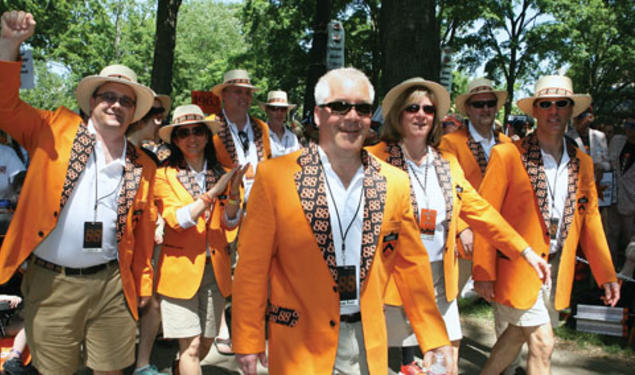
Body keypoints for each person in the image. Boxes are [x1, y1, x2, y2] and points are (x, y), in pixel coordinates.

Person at [232, 68, 460, 375]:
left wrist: (432, 337)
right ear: (317, 115)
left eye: (362, 108)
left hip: (368, 340)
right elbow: (252, 267)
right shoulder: (275, 178)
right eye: (339, 106)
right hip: (302, 343)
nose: (352, 117)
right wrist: (248, 338)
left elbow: (411, 266)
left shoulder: (394, 182)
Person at [0, 11, 157, 374]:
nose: (116, 104)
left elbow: (144, 232)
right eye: (108, 96)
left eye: (126, 100)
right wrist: (9, 44)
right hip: (52, 283)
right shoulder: (54, 127)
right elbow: (5, 108)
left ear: (134, 113)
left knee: (112, 370)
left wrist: (144, 282)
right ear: (92, 101)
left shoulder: (142, 165)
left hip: (113, 283)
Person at [366, 78, 549, 375]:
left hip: (441, 278)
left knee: (447, 363)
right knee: (374, 362)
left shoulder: (447, 162)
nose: (421, 114)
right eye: (413, 107)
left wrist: (525, 252)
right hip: (391, 279)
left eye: (428, 108)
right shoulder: (373, 160)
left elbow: (483, 213)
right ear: (398, 114)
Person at [474, 75, 620, 375]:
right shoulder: (507, 155)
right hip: (517, 268)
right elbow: (486, 217)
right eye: (546, 104)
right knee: (542, 343)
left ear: (571, 110)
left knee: (514, 335)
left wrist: (606, 273)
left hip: (557, 267)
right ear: (535, 110)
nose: (554, 111)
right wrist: (483, 271)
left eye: (561, 104)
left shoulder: (584, 163)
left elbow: (590, 220)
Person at [153, 104, 247, 374]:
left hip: (214, 270)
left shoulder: (224, 172)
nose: (191, 138)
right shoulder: (164, 176)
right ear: (174, 140)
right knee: (191, 347)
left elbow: (231, 224)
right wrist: (211, 194)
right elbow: (176, 220)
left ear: (207, 136)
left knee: (205, 344)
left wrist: (233, 198)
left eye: (197, 131)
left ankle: (177, 368)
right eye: (183, 133)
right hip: (178, 270)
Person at [438, 78, 512, 303]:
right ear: (468, 109)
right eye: (478, 104)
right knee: (448, 301)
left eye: (490, 103)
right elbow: (445, 189)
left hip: (499, 234)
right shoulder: (450, 143)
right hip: (466, 238)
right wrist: (461, 229)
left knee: (507, 303)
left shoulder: (508, 145)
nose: (485, 109)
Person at [128, 94, 171, 375]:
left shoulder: (148, 161)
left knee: (151, 302)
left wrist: (158, 222)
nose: (161, 119)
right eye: (156, 113)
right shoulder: (106, 150)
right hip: (107, 256)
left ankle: (142, 363)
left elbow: (150, 203)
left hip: (140, 250)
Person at [210, 69, 272, 202]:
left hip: (261, 205)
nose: (245, 97)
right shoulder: (210, 127)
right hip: (225, 207)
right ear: (223, 95)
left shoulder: (262, 127)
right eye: (238, 92)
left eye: (248, 93)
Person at [606, 117, 635, 265]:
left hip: (631, 203)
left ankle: (629, 273)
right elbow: (608, 163)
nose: (629, 129)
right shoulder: (617, 141)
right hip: (613, 197)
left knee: (631, 239)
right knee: (611, 234)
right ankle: (610, 268)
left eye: (632, 126)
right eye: (627, 124)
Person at [566, 106, 611, 175]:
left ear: (590, 118)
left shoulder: (599, 136)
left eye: (580, 116)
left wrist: (601, 166)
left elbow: (608, 164)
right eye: (574, 117)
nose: (576, 120)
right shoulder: (567, 137)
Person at [259, 90, 301, 158]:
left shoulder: (292, 138)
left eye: (283, 109)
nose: (279, 113)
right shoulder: (259, 135)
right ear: (267, 110)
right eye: (275, 108)